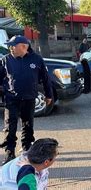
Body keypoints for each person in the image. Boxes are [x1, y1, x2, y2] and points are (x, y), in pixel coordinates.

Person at [0, 36, 53, 165]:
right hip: (11, 99)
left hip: (29, 99)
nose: (11, 48)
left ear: (24, 46)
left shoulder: (37, 59)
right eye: (10, 46)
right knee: (10, 127)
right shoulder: (6, 60)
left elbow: (46, 79)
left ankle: (27, 149)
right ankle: (9, 153)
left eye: (13, 45)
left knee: (28, 125)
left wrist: (49, 95)